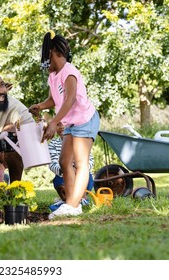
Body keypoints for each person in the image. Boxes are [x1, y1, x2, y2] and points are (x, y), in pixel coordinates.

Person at [29, 30, 100, 219]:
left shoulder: (69, 72)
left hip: (84, 119)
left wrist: (53, 122)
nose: (45, 63)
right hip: (71, 122)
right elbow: (54, 99)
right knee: (64, 162)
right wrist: (40, 106)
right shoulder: (53, 75)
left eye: (46, 58)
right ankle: (73, 205)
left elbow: (69, 100)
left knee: (81, 163)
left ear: (53, 52)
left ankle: (72, 204)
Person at [48, 122, 95, 212]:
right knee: (59, 182)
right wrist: (65, 170)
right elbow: (52, 164)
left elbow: (90, 160)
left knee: (84, 176)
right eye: (58, 124)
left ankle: (75, 200)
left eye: (64, 123)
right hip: (62, 176)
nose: (61, 127)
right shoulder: (53, 144)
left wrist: (78, 170)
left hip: (81, 174)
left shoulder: (80, 141)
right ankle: (74, 200)